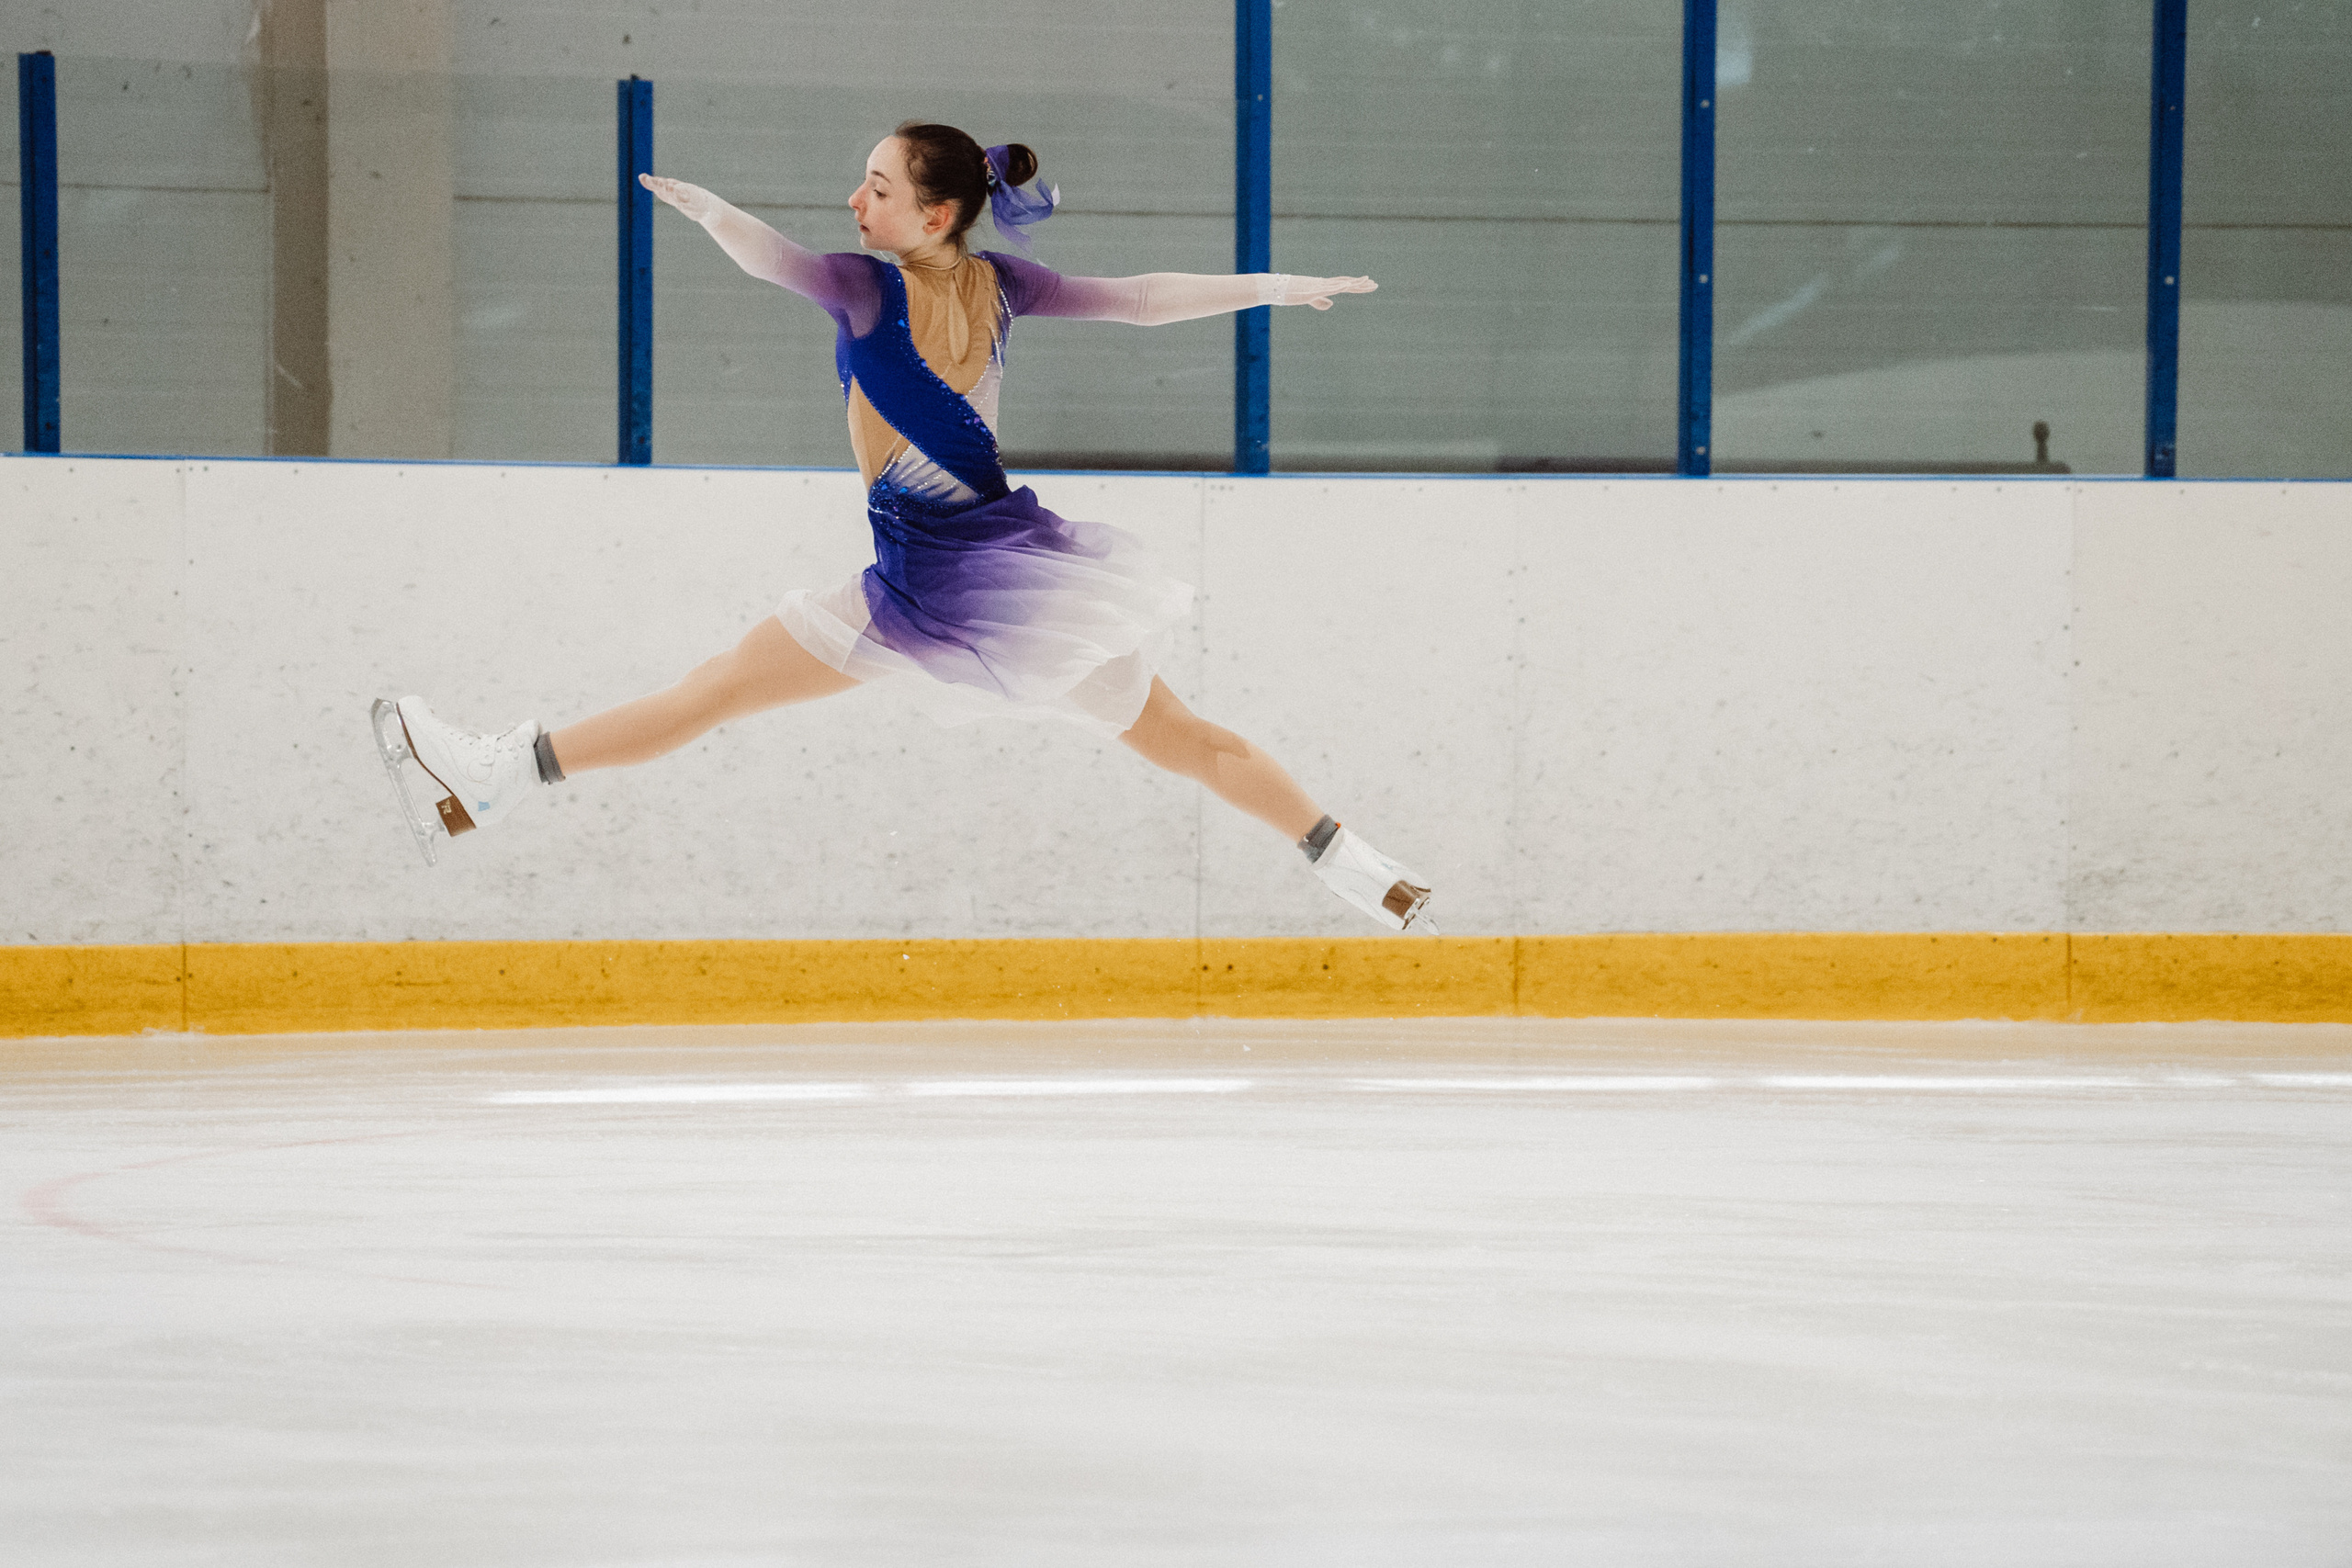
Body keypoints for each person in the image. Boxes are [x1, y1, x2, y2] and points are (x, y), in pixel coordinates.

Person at [372, 122, 1435, 931]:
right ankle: (1356, 868)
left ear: (933, 214)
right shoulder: (1001, 286)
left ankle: (495, 779)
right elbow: (1145, 299)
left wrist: (706, 212)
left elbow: (764, 257)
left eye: (876, 189)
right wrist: (1278, 287)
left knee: (713, 692)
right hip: (1009, 585)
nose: (855, 200)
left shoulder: (865, 292)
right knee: (1186, 739)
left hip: (932, 589)